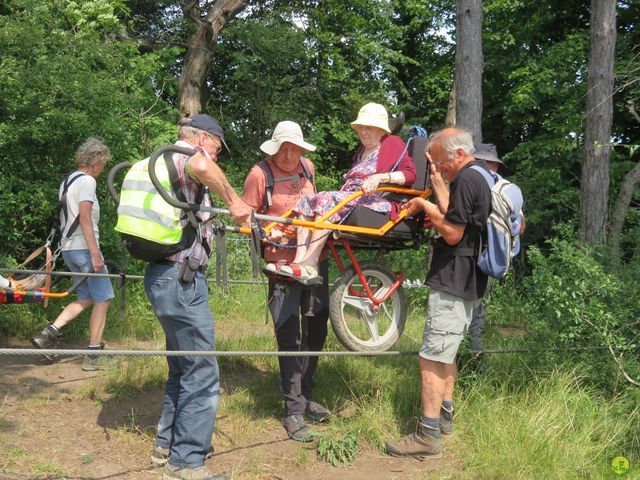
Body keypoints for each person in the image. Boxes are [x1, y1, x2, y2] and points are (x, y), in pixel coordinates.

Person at [142, 114, 252, 480]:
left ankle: (166, 446)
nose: (218, 154)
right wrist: (235, 201)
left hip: (160, 275)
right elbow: (203, 163)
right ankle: (186, 463)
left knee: (183, 368)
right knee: (203, 372)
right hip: (182, 280)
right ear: (204, 138)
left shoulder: (153, 162)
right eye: (219, 145)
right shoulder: (188, 156)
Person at [385, 128, 491, 459]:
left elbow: (453, 234)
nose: (441, 168)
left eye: (443, 162)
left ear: (460, 154)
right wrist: (439, 189)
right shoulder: (478, 177)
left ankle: (427, 434)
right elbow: (457, 216)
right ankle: (445, 417)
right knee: (446, 353)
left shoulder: (468, 180)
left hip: (453, 281)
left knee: (430, 357)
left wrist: (422, 206)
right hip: (468, 281)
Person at [243, 120, 331, 442]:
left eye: (296, 148)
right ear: (275, 147)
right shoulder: (259, 175)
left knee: (317, 328)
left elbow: (316, 205)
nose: (291, 154)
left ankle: (306, 394)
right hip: (282, 266)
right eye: (286, 148)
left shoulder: (308, 168)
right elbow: (246, 219)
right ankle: (293, 410)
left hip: (316, 261)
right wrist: (270, 231)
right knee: (288, 333)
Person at [266, 103, 416, 282]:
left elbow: (410, 174)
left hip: (375, 200)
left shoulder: (392, 143)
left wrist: (380, 178)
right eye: (360, 128)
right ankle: (299, 261)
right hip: (352, 197)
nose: (363, 132)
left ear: (381, 129)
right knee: (306, 201)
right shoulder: (361, 150)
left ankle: (310, 263)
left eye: (368, 128)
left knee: (326, 200)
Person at [31, 137, 115, 372]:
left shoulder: (68, 181)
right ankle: (94, 356)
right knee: (104, 298)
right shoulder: (87, 181)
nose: (103, 169)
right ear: (95, 160)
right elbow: (85, 218)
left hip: (69, 250)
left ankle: (48, 334)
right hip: (84, 249)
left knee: (86, 297)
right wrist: (96, 254)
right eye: (103, 163)